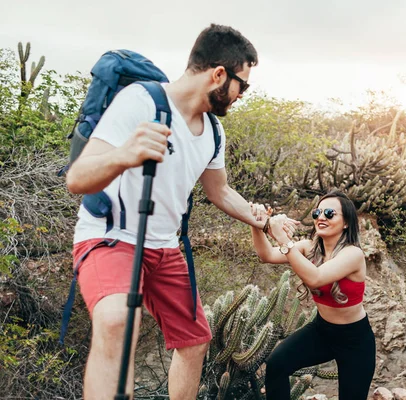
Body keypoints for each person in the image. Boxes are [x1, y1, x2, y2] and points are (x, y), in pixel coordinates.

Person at [65, 24, 296, 400]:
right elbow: (77, 178)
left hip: (165, 249)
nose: (241, 95)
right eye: (243, 85)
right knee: (118, 320)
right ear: (219, 75)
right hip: (112, 237)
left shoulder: (212, 132)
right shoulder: (141, 101)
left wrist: (265, 220)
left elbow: (219, 190)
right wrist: (124, 154)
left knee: (194, 340)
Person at [249, 191, 376, 400]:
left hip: (355, 339)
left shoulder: (353, 254)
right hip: (322, 331)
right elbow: (267, 255)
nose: (321, 217)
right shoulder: (309, 248)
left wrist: (282, 237)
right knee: (277, 364)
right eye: (317, 212)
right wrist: (257, 224)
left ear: (346, 223)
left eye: (329, 213)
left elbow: (316, 278)